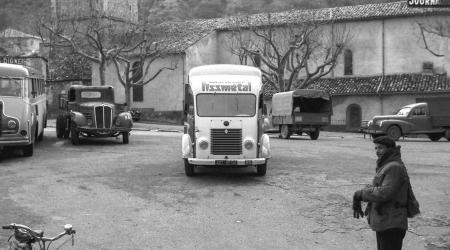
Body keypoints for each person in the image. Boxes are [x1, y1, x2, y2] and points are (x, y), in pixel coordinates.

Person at [353, 136, 409, 250]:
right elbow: (385, 187)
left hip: (392, 222)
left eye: (381, 148)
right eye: (376, 148)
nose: (377, 151)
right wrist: (371, 188)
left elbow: (385, 192)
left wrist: (362, 194)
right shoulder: (387, 164)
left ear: (390, 149)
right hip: (386, 221)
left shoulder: (394, 167)